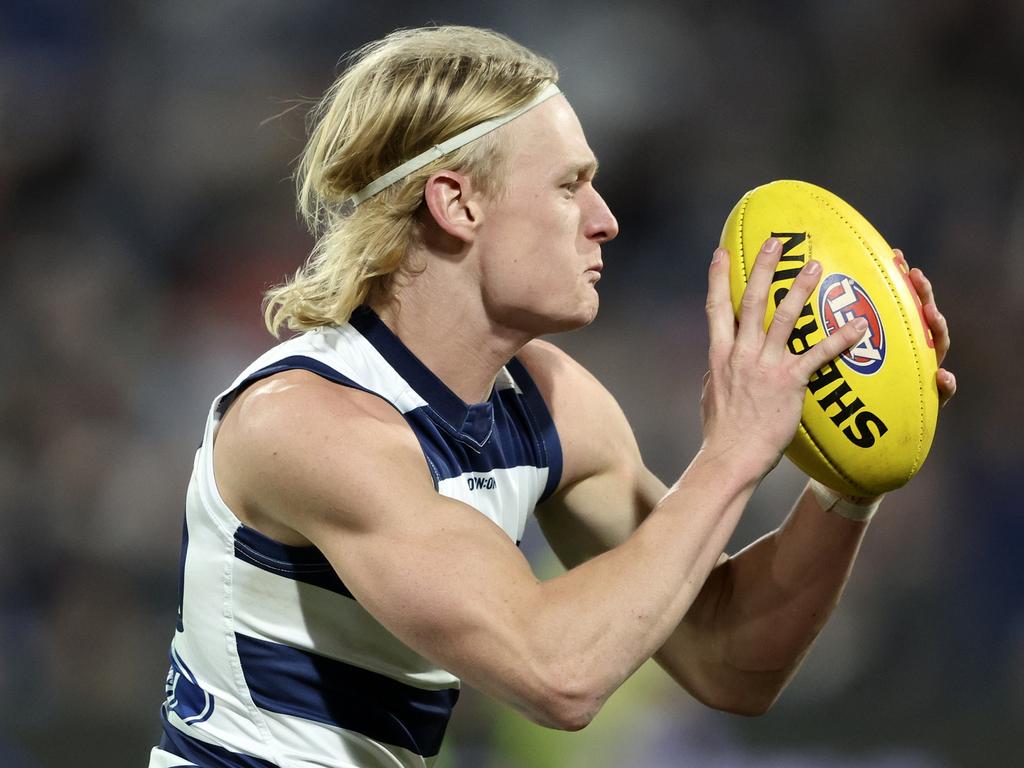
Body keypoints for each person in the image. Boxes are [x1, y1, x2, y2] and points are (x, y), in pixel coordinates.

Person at [148, 24, 956, 768]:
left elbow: (726, 657)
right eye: (570, 186)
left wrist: (852, 475)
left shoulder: (551, 401)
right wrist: (736, 450)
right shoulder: (309, 421)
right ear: (456, 202)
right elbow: (556, 674)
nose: (605, 220)